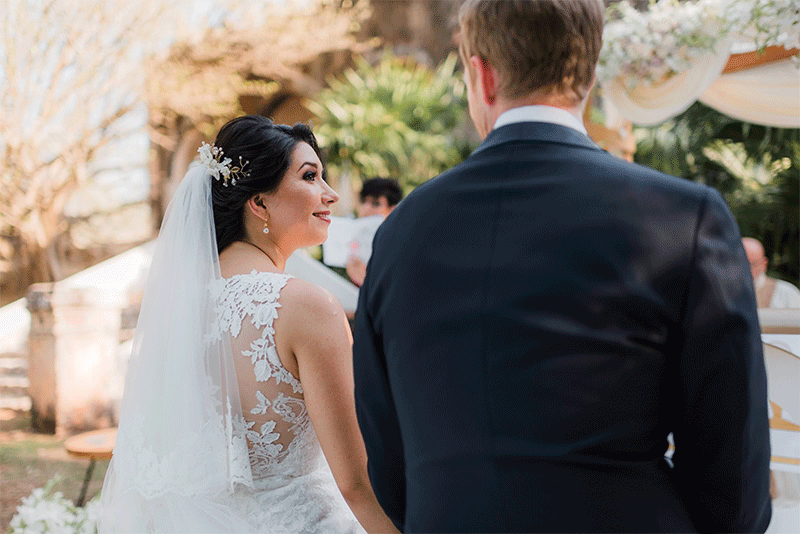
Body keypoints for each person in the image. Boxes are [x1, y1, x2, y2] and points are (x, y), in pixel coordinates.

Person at [352, 0, 772, 532]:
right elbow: (733, 467)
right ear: (590, 74)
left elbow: (387, 461)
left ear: (481, 76)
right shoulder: (685, 217)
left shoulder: (399, 233)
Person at [101, 116, 398, 534]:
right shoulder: (306, 306)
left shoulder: (180, 310)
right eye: (310, 176)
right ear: (258, 202)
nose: (330, 195)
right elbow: (355, 482)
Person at [345, 178, 403, 286]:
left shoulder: (399, 249)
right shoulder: (350, 240)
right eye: (363, 201)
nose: (366, 208)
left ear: (392, 210)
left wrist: (365, 279)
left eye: (375, 203)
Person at [742, 237, 800, 308]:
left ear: (764, 264)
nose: (747, 269)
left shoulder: (788, 294)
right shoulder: (724, 295)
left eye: (753, 264)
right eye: (740, 263)